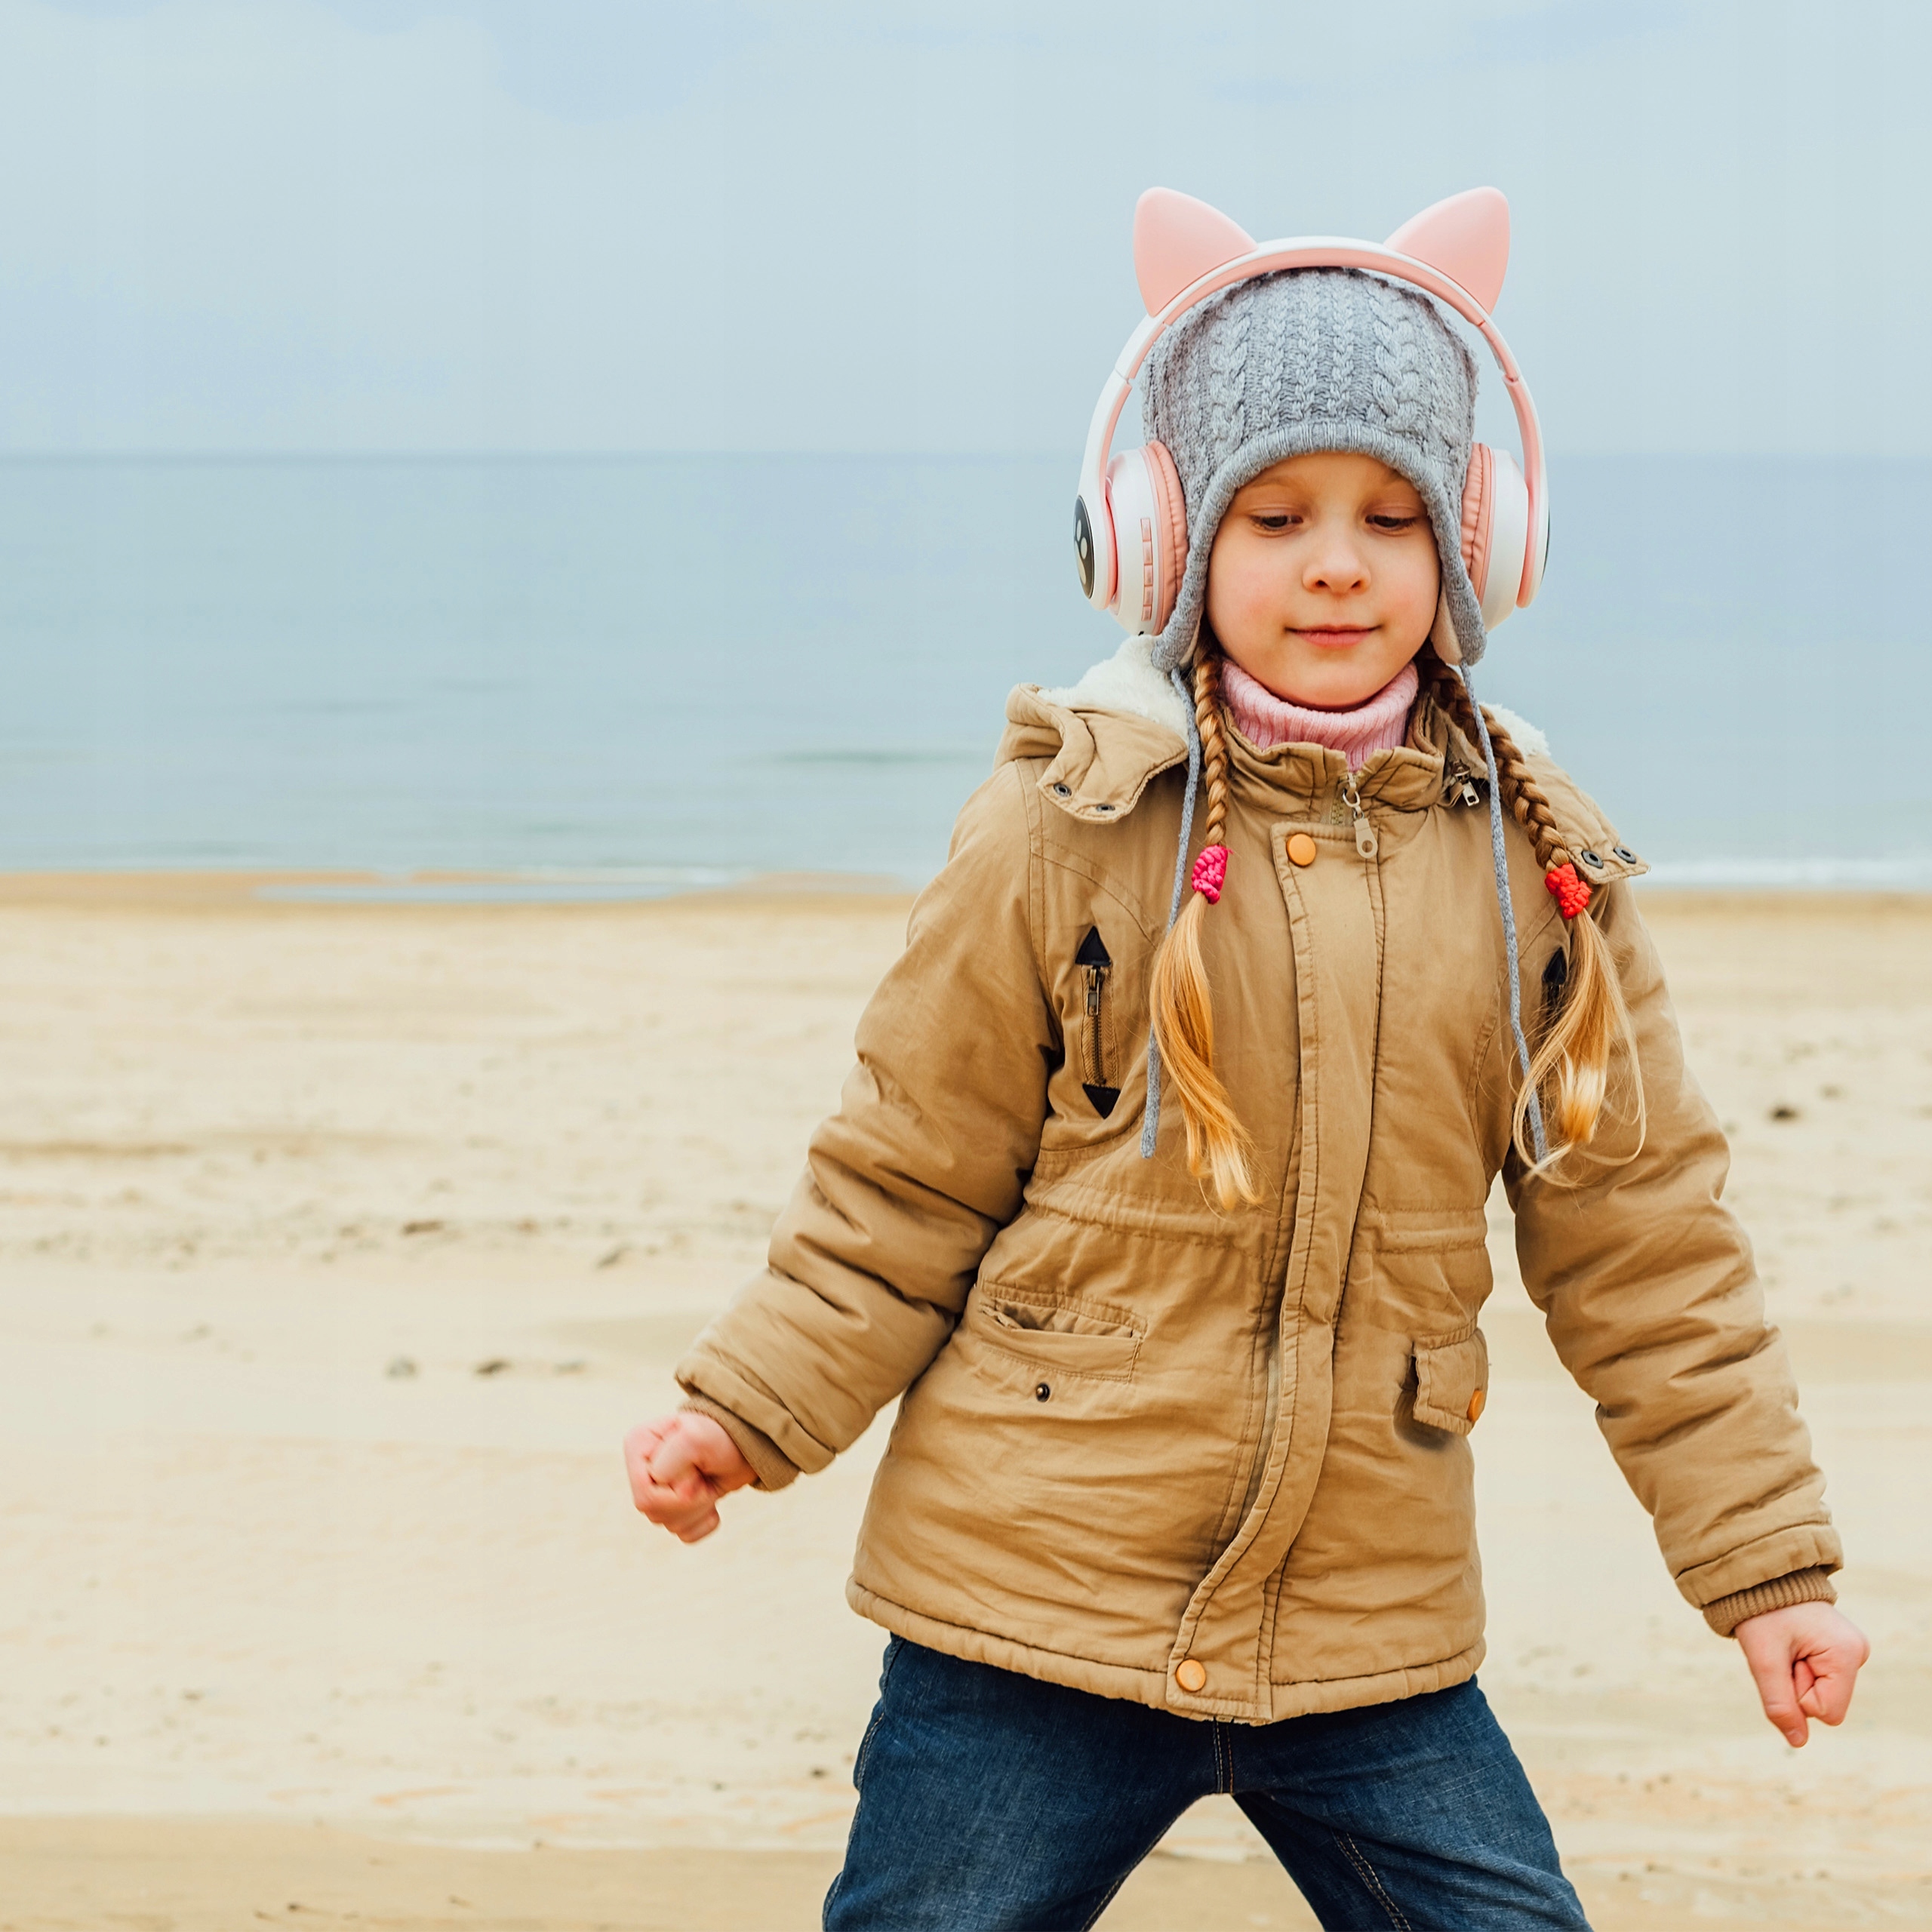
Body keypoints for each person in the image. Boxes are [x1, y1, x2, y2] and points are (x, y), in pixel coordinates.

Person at [623, 205, 1867, 1930]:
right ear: (1164, 536)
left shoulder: (1536, 872)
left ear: (1478, 543)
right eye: (1273, 517)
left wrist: (1763, 1568)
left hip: (1364, 1625)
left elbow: (1646, 1247)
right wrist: (747, 1408)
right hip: (1031, 1603)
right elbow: (901, 1176)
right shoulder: (1061, 828)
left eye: (1388, 517)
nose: (1334, 565)